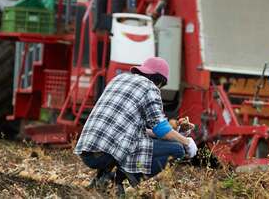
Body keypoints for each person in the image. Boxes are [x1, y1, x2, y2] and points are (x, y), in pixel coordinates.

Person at [73, 57, 197, 196]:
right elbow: (161, 129)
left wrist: (178, 133)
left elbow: (139, 130)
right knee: (177, 149)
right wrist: (187, 142)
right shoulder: (150, 88)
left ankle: (102, 177)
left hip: (88, 151)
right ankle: (116, 180)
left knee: (165, 143)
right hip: (108, 153)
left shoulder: (118, 79)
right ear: (160, 81)